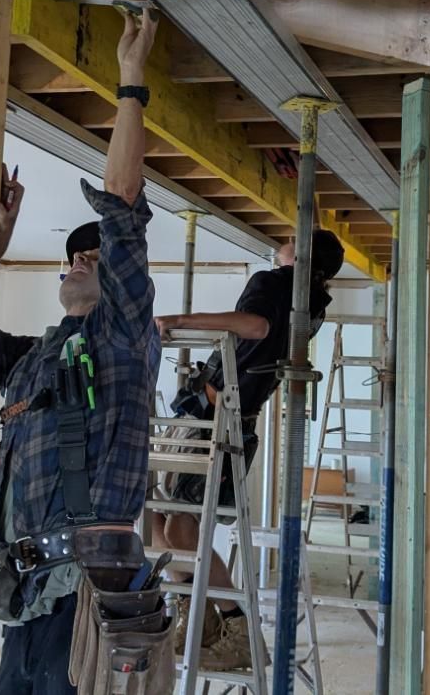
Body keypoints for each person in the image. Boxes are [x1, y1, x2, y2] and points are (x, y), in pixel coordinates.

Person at [0, 11, 161, 695]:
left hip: (89, 594)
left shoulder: (124, 337)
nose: (80, 257)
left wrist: (130, 81)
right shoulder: (30, 357)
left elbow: (122, 203)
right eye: (71, 252)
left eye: (94, 253)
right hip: (25, 592)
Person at [150, 231, 345, 671]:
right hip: (229, 419)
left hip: (216, 421)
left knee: (178, 529)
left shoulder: (273, 281)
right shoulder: (311, 303)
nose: (287, 238)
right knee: (158, 521)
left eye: (296, 238)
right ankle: (198, 620)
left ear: (303, 258)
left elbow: (254, 326)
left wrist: (181, 320)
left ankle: (236, 628)